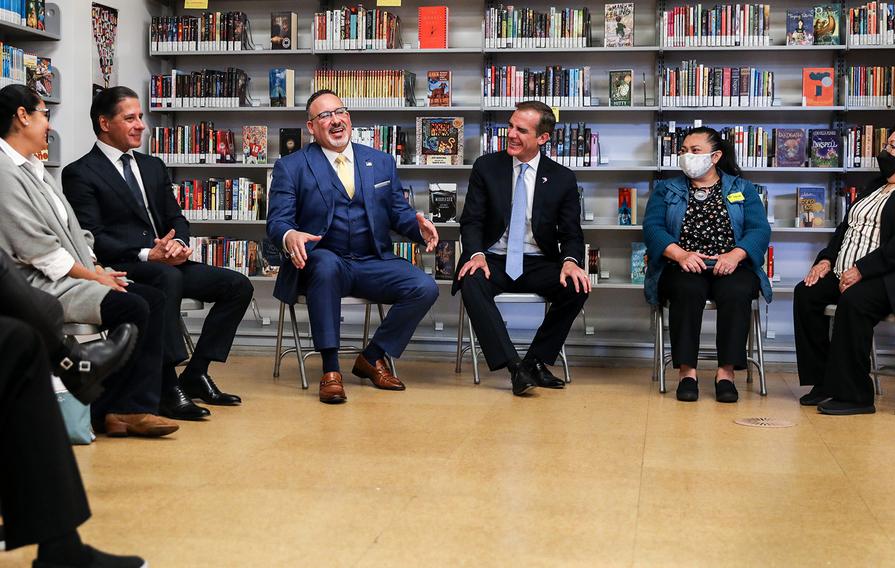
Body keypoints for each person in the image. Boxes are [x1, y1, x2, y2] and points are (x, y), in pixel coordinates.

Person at [63, 86, 254, 420]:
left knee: (237, 285)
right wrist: (146, 254)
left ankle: (195, 373)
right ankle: (167, 386)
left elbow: (175, 216)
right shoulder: (80, 172)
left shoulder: (153, 166)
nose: (141, 125)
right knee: (165, 278)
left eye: (141, 117)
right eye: (131, 118)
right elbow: (93, 237)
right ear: (105, 123)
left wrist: (177, 243)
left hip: (167, 261)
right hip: (123, 266)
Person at [0, 84, 178, 437]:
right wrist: (94, 278)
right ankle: (118, 406)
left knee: (152, 298)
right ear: (22, 117)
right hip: (43, 283)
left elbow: (76, 230)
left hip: (75, 275)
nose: (48, 125)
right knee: (135, 307)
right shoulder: (5, 173)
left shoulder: (35, 168)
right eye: (44, 115)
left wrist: (96, 268)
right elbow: (37, 250)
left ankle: (127, 405)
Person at [267, 89, 439, 404]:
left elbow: (397, 214)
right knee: (327, 266)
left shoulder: (381, 161)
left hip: (371, 260)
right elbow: (277, 221)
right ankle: (330, 371)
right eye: (325, 115)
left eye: (340, 112)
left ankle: (372, 356)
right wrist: (289, 235)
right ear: (311, 127)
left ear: (349, 117)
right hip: (320, 261)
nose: (335, 120)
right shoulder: (291, 167)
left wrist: (418, 227)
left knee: (424, 286)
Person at [0, 247, 146, 567]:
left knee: (20, 339)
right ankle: (74, 366)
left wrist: (95, 266)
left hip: (67, 275)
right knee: (19, 343)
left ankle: (75, 367)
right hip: (51, 276)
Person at [455, 100, 589, 396]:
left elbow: (571, 232)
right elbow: (472, 220)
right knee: (470, 280)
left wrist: (570, 260)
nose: (511, 134)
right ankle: (514, 366)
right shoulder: (486, 167)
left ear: (543, 138)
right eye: (510, 126)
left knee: (577, 287)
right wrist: (476, 253)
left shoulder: (562, 178)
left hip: (538, 260)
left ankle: (534, 361)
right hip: (493, 258)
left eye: (521, 130)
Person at [642, 126, 771, 403]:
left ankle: (726, 374)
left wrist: (736, 255)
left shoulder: (742, 188)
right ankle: (687, 373)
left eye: (695, 151)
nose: (687, 156)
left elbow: (759, 230)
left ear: (715, 157)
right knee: (686, 291)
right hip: (683, 266)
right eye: (683, 151)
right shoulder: (667, 189)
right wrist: (680, 255)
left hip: (731, 265)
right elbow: (652, 228)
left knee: (737, 292)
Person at [793, 122, 895, 415]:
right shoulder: (876, 185)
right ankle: (823, 382)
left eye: (894, 147)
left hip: (886, 277)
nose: (886, 152)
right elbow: (846, 229)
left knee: (854, 302)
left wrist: (861, 270)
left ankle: (857, 395)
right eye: (887, 146)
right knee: (805, 293)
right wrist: (825, 260)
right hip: (843, 269)